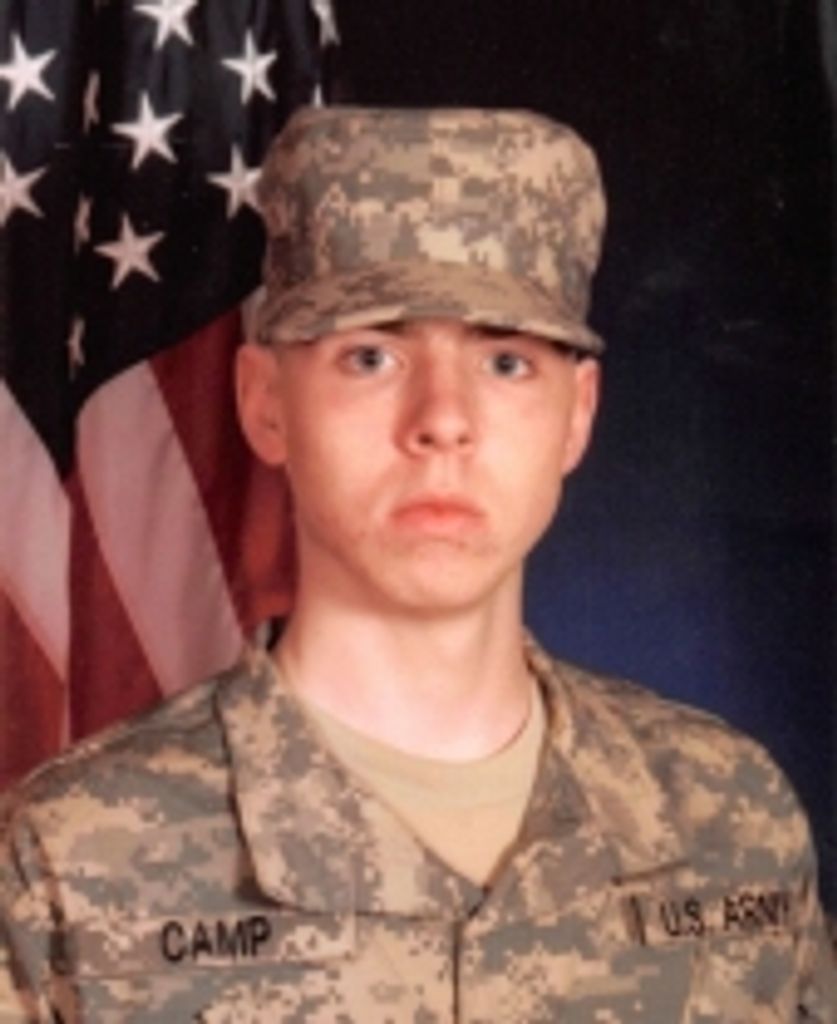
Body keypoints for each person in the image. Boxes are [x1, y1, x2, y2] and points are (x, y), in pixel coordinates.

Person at [1, 106, 834, 1022]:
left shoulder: (730, 821)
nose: (442, 420)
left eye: (506, 362)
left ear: (577, 414)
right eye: (371, 357)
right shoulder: (71, 862)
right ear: (264, 403)